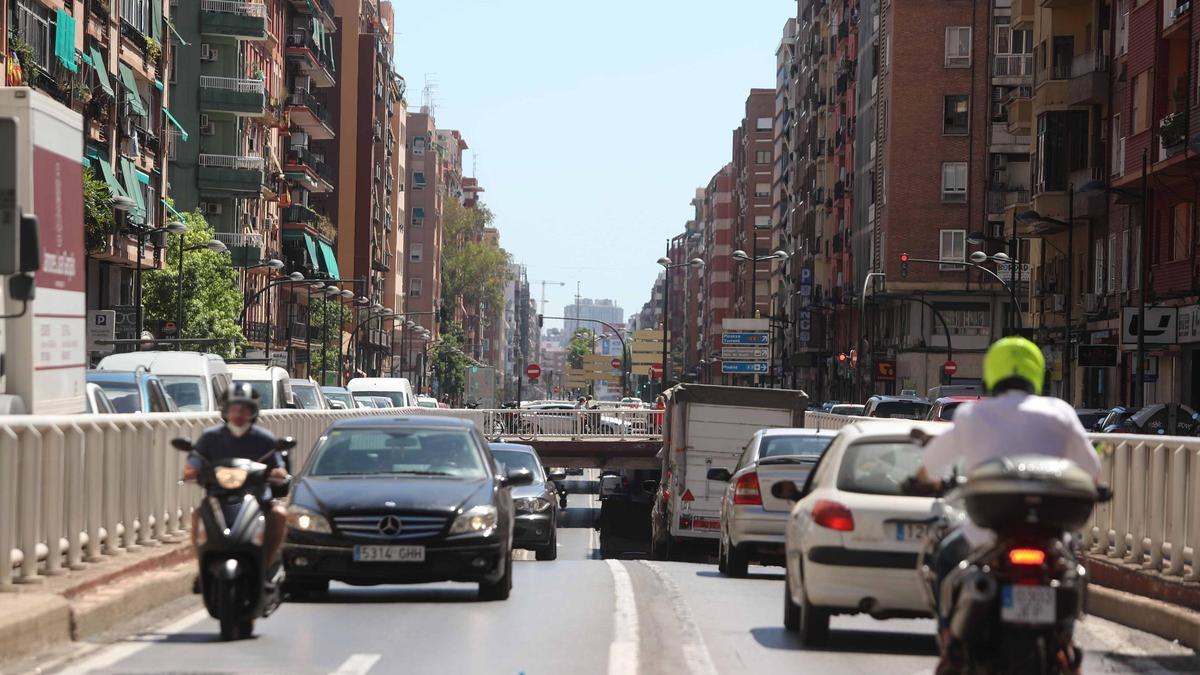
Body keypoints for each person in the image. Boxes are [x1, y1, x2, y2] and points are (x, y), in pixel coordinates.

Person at [910, 336, 1099, 668]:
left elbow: (931, 464)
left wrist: (922, 480)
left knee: (944, 560)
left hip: (986, 535)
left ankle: (949, 640)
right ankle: (1065, 640)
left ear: (992, 373)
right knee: (1074, 571)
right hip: (1051, 536)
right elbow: (1092, 472)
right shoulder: (1060, 412)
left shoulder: (973, 414)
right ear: (1036, 373)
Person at [181, 383, 289, 568]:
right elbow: (191, 467)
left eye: (244, 409)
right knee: (197, 515)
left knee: (279, 514)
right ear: (225, 411)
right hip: (219, 499)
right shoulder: (209, 437)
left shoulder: (264, 439)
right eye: (233, 408)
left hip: (257, 500)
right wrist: (194, 473)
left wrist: (276, 473)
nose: (238, 414)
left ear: (253, 411)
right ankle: (202, 566)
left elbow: (280, 469)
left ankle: (266, 566)